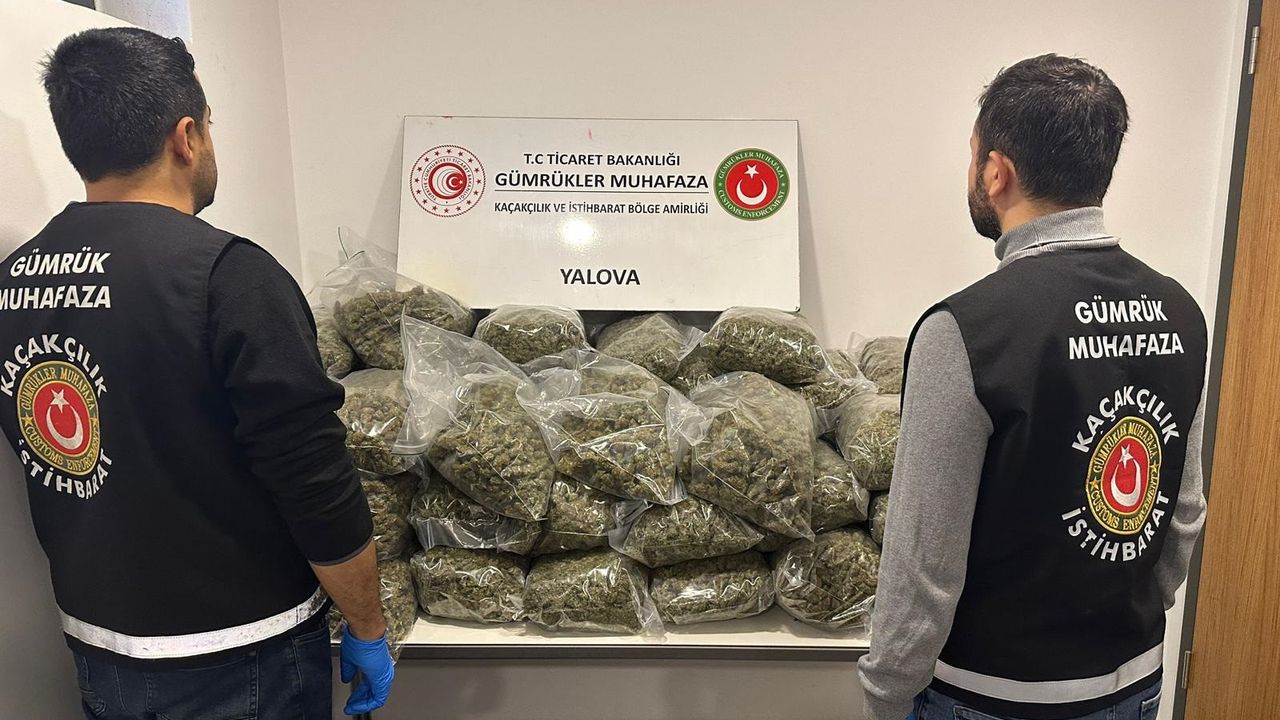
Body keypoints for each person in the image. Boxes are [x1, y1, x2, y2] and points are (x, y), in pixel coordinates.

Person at [0, 27, 395, 718]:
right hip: (241, 658)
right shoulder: (226, 274)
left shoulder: (13, 280)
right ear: (186, 137)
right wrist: (367, 625)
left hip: (99, 650)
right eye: (209, 125)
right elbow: (314, 481)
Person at [859, 54, 1208, 720]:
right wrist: (1122, 613)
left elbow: (923, 566)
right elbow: (1184, 513)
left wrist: (886, 694)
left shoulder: (965, 330)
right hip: (1133, 679)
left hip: (992, 693)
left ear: (996, 172)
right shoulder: (1180, 311)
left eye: (973, 156)